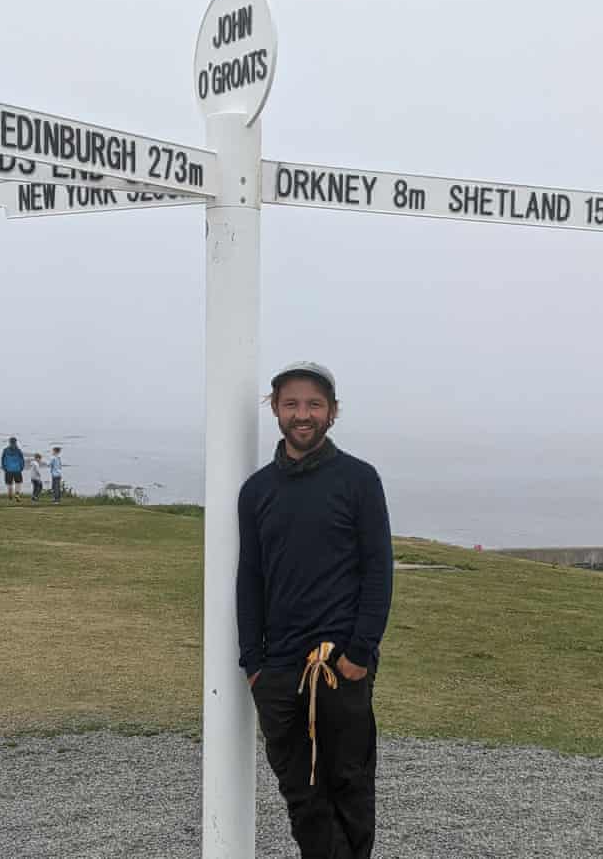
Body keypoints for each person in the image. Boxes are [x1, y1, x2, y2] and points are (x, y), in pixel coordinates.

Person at [237, 361, 393, 859]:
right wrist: (253, 664)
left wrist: (360, 654)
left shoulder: (360, 480)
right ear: (276, 410)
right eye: (291, 405)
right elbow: (251, 578)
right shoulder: (256, 491)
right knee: (302, 797)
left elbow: (378, 571)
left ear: (332, 412)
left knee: (349, 787)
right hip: (279, 671)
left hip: (341, 665)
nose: (302, 415)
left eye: (313, 405)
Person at [1, 436, 25, 502]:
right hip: (17, 469)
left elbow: (2, 460)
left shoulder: (5, 450)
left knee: (9, 483)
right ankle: (17, 494)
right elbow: (22, 460)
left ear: (9, 442)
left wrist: (4, 467)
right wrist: (21, 467)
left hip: (8, 469)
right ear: (16, 442)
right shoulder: (18, 450)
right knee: (18, 483)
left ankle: (10, 493)